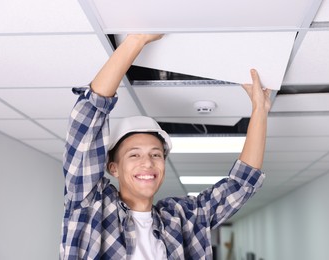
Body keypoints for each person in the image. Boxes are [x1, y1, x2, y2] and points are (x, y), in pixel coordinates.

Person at [60, 34, 271, 260]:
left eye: (155, 154)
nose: (148, 162)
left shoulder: (181, 220)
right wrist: (136, 41)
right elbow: (88, 116)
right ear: (113, 168)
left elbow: (241, 184)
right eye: (134, 155)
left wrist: (260, 109)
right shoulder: (92, 207)